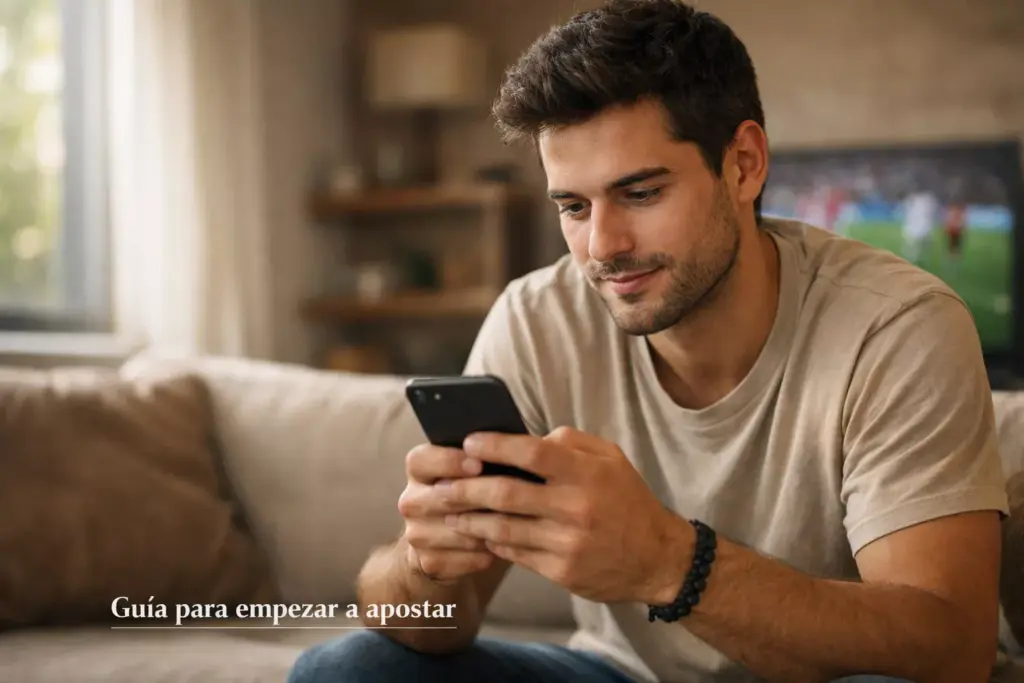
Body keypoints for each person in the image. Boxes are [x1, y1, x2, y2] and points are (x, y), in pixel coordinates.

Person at [287, 1, 1009, 682]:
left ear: (744, 165)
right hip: (622, 673)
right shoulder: (537, 320)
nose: (602, 246)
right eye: (573, 206)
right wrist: (423, 566)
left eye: (640, 193)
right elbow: (441, 620)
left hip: (832, 676)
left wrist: (669, 561)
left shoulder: (896, 325)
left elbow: (950, 646)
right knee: (344, 670)